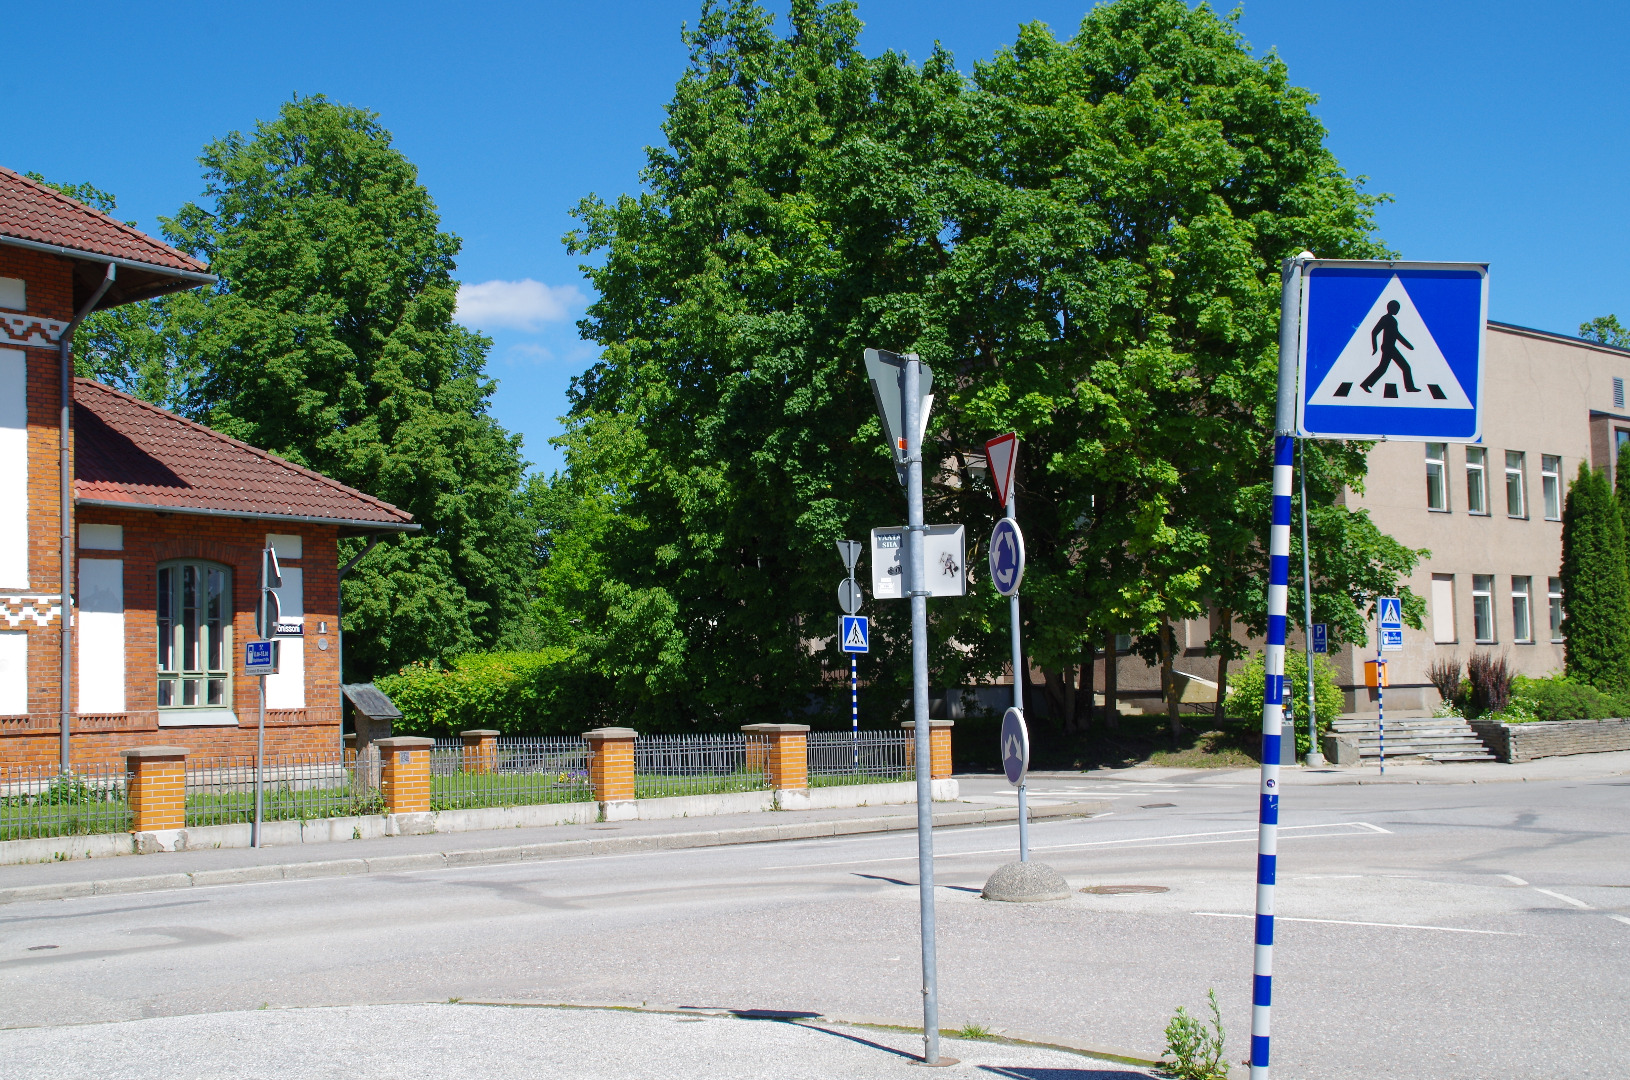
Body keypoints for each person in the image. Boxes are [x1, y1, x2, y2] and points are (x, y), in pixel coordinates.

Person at [1360, 300, 1421, 394]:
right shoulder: (1387, 319)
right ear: (1391, 308)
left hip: (1389, 347)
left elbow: (1396, 334)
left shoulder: (1391, 320)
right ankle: (1409, 387)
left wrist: (1409, 346)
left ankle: (1365, 384)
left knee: (1383, 368)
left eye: (1398, 309)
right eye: (1396, 308)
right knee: (1405, 367)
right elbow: (1374, 332)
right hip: (1389, 348)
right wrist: (1374, 347)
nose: (1397, 310)